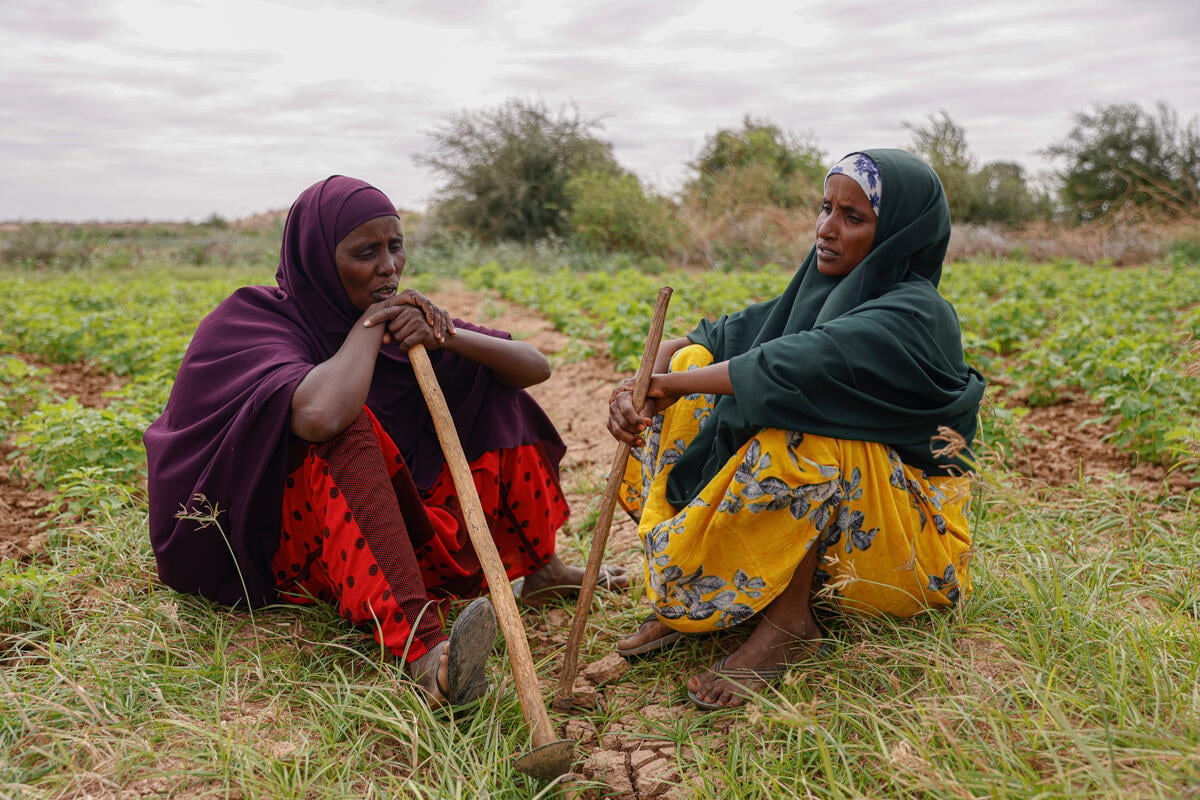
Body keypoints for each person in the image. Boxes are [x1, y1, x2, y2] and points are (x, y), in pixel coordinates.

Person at [144, 175, 627, 708]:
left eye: (395, 246)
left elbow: (534, 367)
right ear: (317, 258)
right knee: (350, 428)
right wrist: (372, 324)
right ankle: (424, 653)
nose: (388, 267)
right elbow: (322, 415)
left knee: (497, 386)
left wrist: (448, 335)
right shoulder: (251, 321)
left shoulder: (407, 321)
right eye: (365, 252)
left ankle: (542, 572)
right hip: (280, 543)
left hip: (392, 530)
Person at [607, 149, 986, 710]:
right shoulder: (821, 289)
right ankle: (707, 595)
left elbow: (800, 365)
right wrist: (645, 378)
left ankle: (789, 627)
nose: (826, 229)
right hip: (854, 531)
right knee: (691, 366)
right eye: (825, 208)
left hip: (906, 553)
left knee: (801, 423)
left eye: (853, 218)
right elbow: (718, 335)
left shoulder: (915, 314)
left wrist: (678, 384)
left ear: (900, 234)